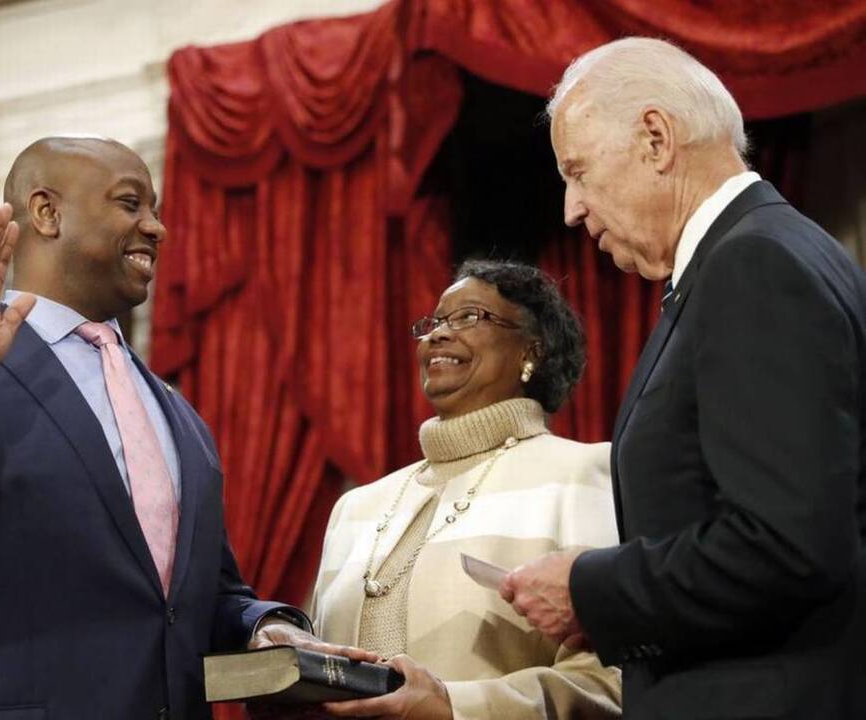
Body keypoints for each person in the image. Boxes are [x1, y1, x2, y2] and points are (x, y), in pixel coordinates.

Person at [0, 137, 342, 720]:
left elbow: (199, 599)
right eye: (130, 203)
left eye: (155, 210)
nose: (157, 228)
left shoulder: (180, 416)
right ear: (47, 212)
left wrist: (262, 627)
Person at [500, 38, 866, 720]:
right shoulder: (769, 251)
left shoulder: (753, 266)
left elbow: (785, 546)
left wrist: (590, 590)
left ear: (656, 139)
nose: (571, 209)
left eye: (578, 171)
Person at [300, 260, 622, 720]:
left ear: (532, 350)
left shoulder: (582, 474)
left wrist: (454, 708)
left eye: (469, 317)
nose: (438, 335)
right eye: (434, 323)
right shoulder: (355, 508)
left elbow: (611, 680)